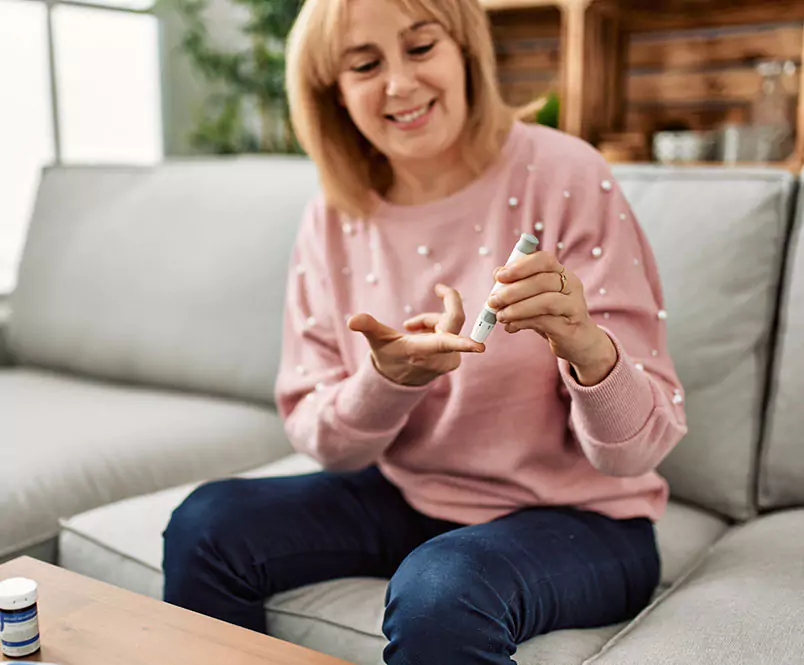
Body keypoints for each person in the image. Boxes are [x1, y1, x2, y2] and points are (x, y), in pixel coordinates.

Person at [161, 0, 688, 662]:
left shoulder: (566, 173)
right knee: (208, 524)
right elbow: (324, 439)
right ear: (334, 91)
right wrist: (386, 381)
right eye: (364, 64)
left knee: (443, 588)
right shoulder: (333, 214)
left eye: (419, 48)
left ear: (465, 49)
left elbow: (636, 455)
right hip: (410, 496)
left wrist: (585, 345)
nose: (400, 84)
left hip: (586, 519)